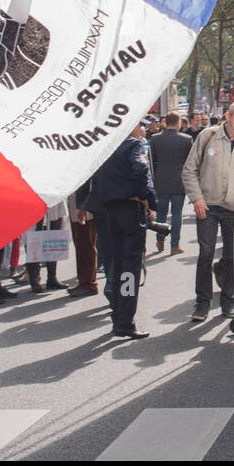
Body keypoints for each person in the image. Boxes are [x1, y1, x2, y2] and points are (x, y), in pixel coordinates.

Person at [184, 100, 234, 323]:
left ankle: (228, 300)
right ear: (226, 116)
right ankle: (202, 303)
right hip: (209, 205)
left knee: (232, 255)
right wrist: (197, 198)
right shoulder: (208, 136)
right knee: (205, 253)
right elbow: (189, 169)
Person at [95, 121, 159, 339]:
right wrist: (145, 197)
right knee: (130, 268)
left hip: (110, 209)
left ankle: (118, 313)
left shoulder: (106, 145)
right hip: (130, 209)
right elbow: (141, 169)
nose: (141, 130)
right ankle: (125, 320)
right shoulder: (133, 145)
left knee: (117, 262)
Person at [148, 112, 192, 254]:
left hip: (161, 180)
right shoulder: (186, 139)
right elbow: (189, 163)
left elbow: (151, 163)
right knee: (177, 213)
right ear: (178, 123)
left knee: (161, 212)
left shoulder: (155, 139)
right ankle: (174, 245)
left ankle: (160, 240)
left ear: (165, 122)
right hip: (179, 180)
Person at [66, 176, 100, 297]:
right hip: (75, 203)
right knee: (80, 245)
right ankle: (84, 282)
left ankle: (89, 283)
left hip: (84, 206)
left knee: (86, 245)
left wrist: (83, 206)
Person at [24, 200, 69, 292]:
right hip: (34, 200)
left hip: (54, 200)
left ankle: (52, 278)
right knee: (33, 239)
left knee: (53, 237)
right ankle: (34, 279)